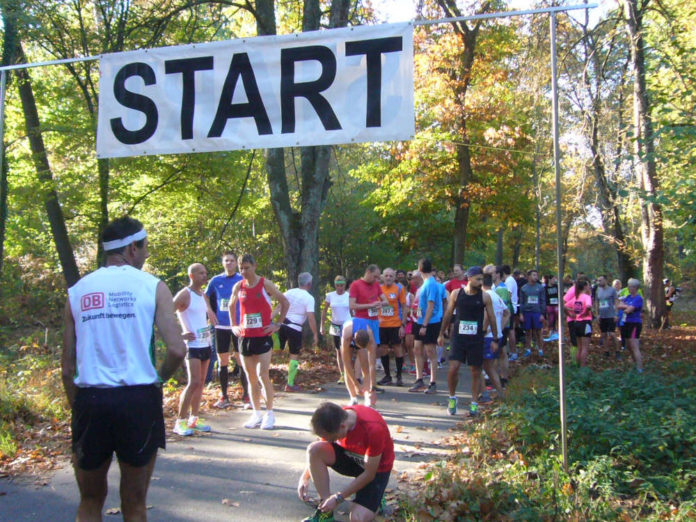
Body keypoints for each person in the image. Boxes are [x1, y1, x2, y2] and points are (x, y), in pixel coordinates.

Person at [62, 216, 186, 520]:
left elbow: (67, 368)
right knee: (134, 502)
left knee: (90, 500)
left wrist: (78, 407)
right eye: (144, 249)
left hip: (90, 401)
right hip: (138, 399)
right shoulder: (153, 286)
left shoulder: (77, 291)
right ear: (132, 248)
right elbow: (176, 349)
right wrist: (159, 379)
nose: (145, 256)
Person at [298, 402, 394, 522]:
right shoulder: (334, 419)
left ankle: (378, 499)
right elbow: (319, 448)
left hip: (375, 469)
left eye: (333, 438)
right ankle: (325, 512)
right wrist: (305, 477)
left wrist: (339, 497)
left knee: (357, 518)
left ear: (343, 426)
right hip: (351, 458)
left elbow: (369, 474)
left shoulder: (373, 429)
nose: (330, 440)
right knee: (314, 449)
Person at [229, 254, 289, 430]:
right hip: (245, 336)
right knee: (250, 377)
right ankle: (256, 413)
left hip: (263, 336)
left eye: (247, 267)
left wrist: (277, 324)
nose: (244, 271)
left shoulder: (265, 284)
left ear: (254, 266)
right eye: (241, 268)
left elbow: (284, 302)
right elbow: (232, 305)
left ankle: (269, 414)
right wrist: (233, 325)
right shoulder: (238, 286)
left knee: (263, 375)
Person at [439, 266, 500, 417]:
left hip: (476, 338)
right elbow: (448, 314)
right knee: (453, 368)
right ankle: (452, 398)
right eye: (478, 279)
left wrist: (495, 339)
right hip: (458, 338)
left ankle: (474, 403)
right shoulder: (456, 294)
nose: (480, 282)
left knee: (475, 371)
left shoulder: (484, 297)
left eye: (482, 279)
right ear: (469, 278)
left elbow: (492, 317)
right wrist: (441, 333)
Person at [172, 263, 217, 435]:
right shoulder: (185, 294)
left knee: (201, 384)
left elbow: (207, 315)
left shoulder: (202, 295)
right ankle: (180, 422)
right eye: (200, 273)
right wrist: (180, 334)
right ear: (191, 275)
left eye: (205, 273)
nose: (204, 276)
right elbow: (167, 313)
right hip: (192, 346)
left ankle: (194, 419)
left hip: (205, 343)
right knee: (193, 383)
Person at [206, 251, 247, 409]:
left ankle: (246, 396)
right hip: (221, 325)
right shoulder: (216, 280)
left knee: (241, 359)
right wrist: (210, 311)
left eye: (231, 261)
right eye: (226, 261)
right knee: (222, 361)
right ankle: (224, 396)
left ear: (236, 263)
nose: (229, 263)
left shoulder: (242, 279)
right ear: (222, 263)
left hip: (238, 325)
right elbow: (205, 295)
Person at [275, 272, 319, 392]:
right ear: (309, 284)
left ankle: (266, 377)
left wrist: (270, 320)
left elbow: (279, 307)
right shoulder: (309, 298)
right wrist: (315, 334)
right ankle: (290, 383)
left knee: (276, 351)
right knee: (293, 355)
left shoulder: (289, 292)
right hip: (295, 328)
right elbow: (311, 317)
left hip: (282, 325)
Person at [349, 265, 389, 395]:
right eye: (375, 276)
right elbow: (352, 305)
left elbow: (385, 301)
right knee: (362, 351)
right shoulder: (356, 285)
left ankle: (373, 383)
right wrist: (369, 305)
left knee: (373, 351)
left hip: (374, 320)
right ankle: (359, 379)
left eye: (378, 277)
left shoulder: (376, 285)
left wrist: (380, 304)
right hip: (361, 320)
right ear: (368, 272)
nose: (377, 279)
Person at [409, 258, 445, 394]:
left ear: (419, 269)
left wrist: (424, 325)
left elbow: (431, 305)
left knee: (430, 351)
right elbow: (421, 305)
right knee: (417, 349)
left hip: (430, 322)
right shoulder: (424, 284)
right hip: (420, 321)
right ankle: (419, 380)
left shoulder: (431, 284)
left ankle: (433, 382)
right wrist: (417, 317)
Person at [480, 273, 509, 403]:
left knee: (479, 366)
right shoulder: (496, 295)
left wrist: (483, 331)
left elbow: (486, 316)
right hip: (496, 336)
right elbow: (507, 313)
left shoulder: (486, 296)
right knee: (489, 367)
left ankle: (484, 393)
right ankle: (500, 393)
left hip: (487, 337)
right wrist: (500, 328)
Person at [377, 268, 408, 387]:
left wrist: (403, 325)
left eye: (391, 276)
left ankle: (399, 376)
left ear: (394, 277)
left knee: (397, 347)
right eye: (386, 275)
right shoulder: (378, 289)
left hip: (395, 324)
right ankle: (387, 376)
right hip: (382, 324)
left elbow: (405, 307)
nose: (388, 278)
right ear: (382, 277)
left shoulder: (399, 288)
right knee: (383, 348)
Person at [320, 276, 352, 384]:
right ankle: (342, 374)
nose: (340, 287)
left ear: (345, 285)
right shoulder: (330, 296)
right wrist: (322, 326)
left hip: (347, 324)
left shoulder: (348, 296)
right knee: (338, 350)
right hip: (335, 325)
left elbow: (353, 310)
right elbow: (324, 311)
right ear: (335, 285)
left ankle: (350, 373)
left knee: (347, 349)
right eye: (338, 285)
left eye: (342, 285)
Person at [340, 320, 375, 406]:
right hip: (349, 335)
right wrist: (356, 384)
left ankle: (367, 396)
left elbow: (372, 365)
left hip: (361, 337)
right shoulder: (347, 334)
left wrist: (372, 388)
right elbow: (346, 363)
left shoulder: (370, 335)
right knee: (348, 367)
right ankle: (353, 398)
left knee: (365, 366)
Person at [564, 278, 593, 367]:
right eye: (588, 285)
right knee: (585, 347)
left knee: (579, 347)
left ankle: (577, 366)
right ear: (585, 287)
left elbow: (565, 306)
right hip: (585, 322)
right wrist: (584, 313)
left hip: (576, 323)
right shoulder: (587, 297)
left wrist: (571, 314)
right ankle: (583, 368)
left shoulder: (576, 298)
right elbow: (588, 306)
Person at [617, 278, 644, 372]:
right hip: (626, 323)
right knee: (628, 345)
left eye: (631, 286)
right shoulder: (628, 297)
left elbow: (629, 310)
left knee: (634, 345)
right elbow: (619, 306)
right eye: (628, 286)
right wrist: (625, 306)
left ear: (635, 288)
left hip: (634, 323)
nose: (629, 288)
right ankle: (634, 363)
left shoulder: (638, 298)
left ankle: (639, 368)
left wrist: (626, 307)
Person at [520, 269, 546, 358]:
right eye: (534, 275)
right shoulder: (524, 288)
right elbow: (522, 302)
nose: (536, 277)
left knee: (538, 332)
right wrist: (521, 314)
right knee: (528, 332)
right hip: (527, 312)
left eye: (536, 275)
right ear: (528, 277)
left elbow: (543, 301)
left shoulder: (540, 288)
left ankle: (540, 350)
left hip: (537, 312)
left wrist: (543, 314)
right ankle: (528, 349)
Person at [595, 275, 620, 359]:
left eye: (600, 280)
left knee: (612, 334)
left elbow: (616, 302)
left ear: (605, 280)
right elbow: (597, 303)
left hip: (611, 315)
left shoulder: (612, 290)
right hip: (602, 316)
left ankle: (617, 351)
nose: (599, 282)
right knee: (603, 334)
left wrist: (616, 314)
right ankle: (606, 351)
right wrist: (597, 314)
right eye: (598, 280)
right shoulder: (598, 291)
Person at [501, 265, 519, 360]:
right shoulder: (510, 280)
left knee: (510, 331)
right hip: (511, 308)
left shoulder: (509, 281)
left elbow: (508, 294)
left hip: (510, 308)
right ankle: (512, 351)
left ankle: (513, 352)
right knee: (510, 331)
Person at [545, 274, 560, 341]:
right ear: (549, 280)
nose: (554, 281)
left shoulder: (556, 286)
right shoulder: (545, 288)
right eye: (553, 279)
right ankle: (551, 331)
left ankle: (557, 331)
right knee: (551, 318)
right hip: (549, 305)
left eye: (555, 279)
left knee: (557, 317)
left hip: (556, 304)